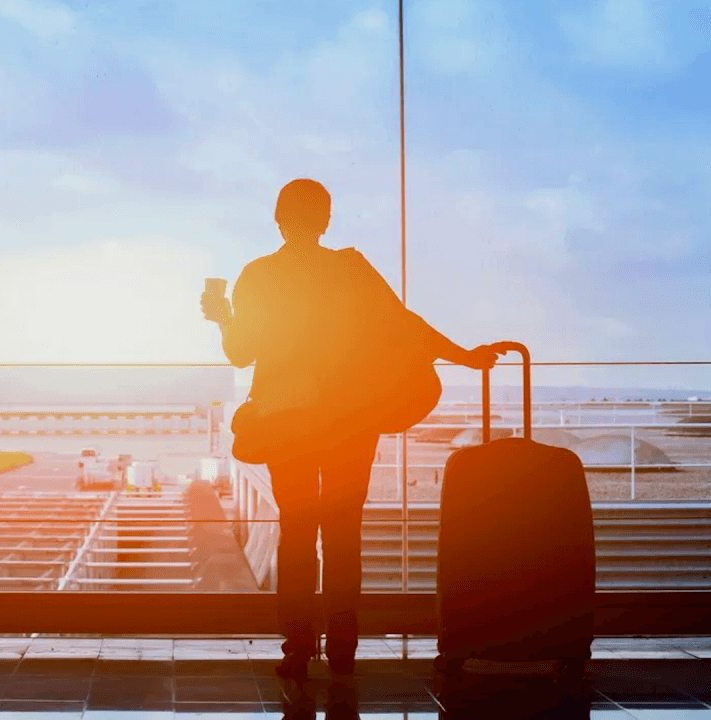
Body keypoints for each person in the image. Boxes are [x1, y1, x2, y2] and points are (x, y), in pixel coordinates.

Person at [200, 178, 497, 680]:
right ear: (326, 220)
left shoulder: (259, 275)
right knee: (343, 536)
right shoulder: (351, 269)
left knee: (297, 535)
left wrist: (222, 316)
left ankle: (297, 650)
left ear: (278, 219)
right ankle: (342, 650)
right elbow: (405, 324)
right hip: (350, 421)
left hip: (287, 421)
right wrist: (464, 356)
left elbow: (240, 353)